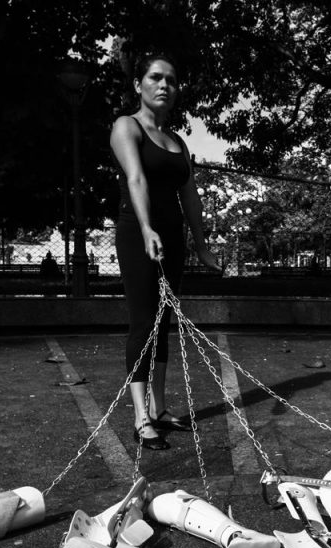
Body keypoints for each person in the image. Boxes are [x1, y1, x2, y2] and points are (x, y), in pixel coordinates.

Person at [110, 53, 221, 450]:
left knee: (164, 322)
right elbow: (136, 178)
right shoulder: (127, 126)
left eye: (171, 80)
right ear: (139, 84)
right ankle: (140, 418)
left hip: (172, 238)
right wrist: (145, 227)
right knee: (143, 322)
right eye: (155, 77)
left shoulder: (177, 141)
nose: (164, 85)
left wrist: (202, 244)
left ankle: (159, 409)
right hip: (139, 234)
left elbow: (189, 194)